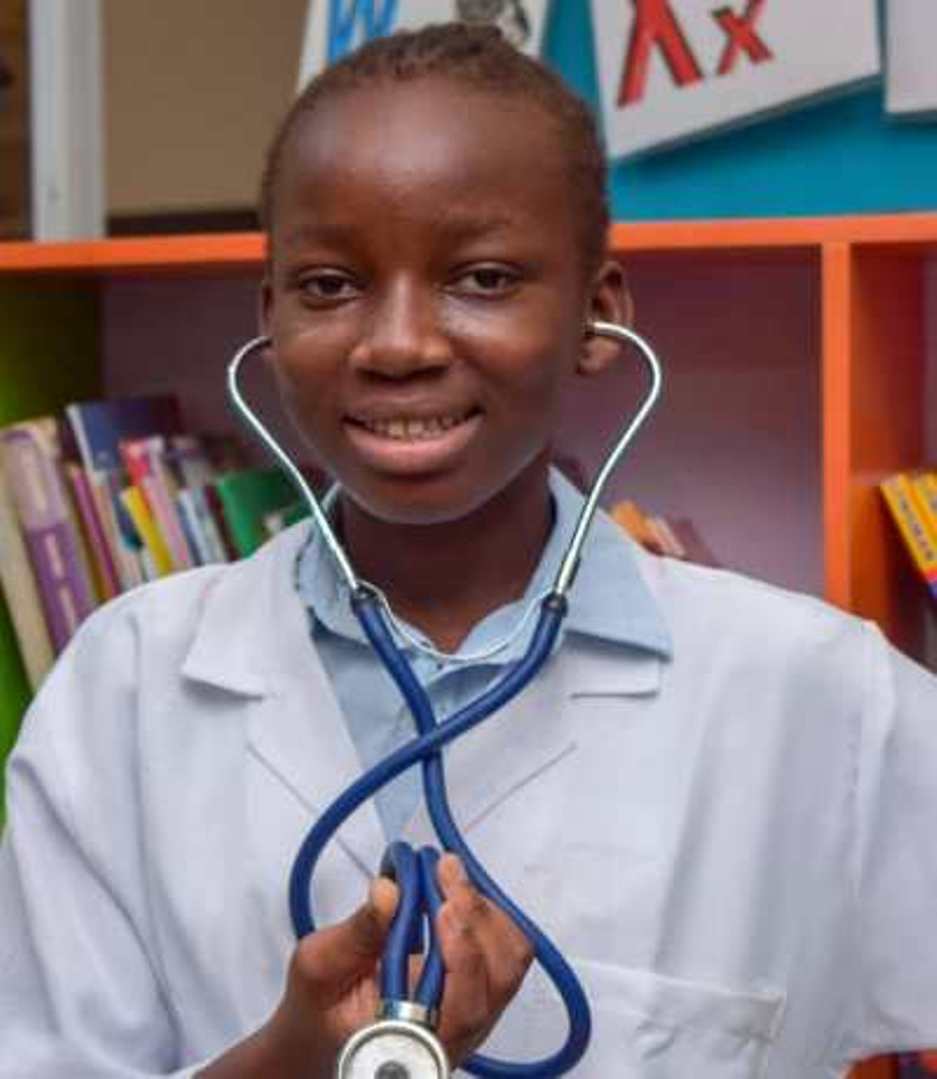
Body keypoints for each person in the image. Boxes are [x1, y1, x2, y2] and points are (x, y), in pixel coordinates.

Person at [2, 20, 937, 1079]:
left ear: (596, 315)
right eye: (329, 285)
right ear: (270, 318)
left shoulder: (814, 695)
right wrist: (284, 1061)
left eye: (482, 278)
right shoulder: (125, 690)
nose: (398, 343)